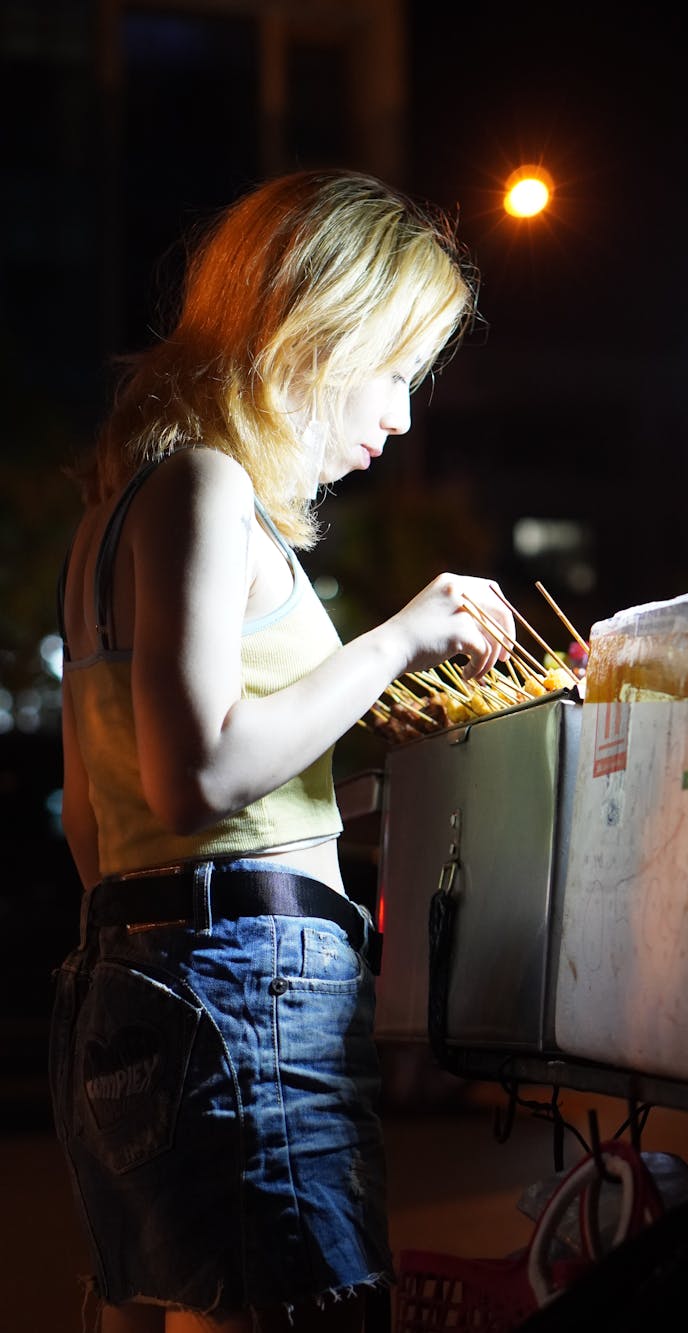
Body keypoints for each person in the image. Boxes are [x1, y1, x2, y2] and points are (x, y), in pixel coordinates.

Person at [50, 168, 515, 1333]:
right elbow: (199, 774)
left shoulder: (113, 518)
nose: (402, 415)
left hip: (138, 984)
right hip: (249, 986)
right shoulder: (206, 487)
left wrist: (349, 793)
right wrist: (401, 638)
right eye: (398, 369)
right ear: (319, 326)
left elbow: (103, 823)